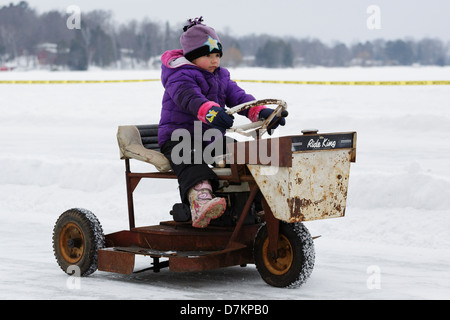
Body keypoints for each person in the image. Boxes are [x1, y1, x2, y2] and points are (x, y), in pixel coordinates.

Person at [158, 17, 285, 228]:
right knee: (191, 160)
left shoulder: (220, 76)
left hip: (208, 137)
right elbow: (189, 98)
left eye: (217, 55)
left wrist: (260, 112)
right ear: (192, 56)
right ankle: (200, 201)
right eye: (208, 55)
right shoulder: (179, 75)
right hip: (178, 137)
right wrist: (210, 113)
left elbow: (240, 98)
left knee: (241, 155)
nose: (215, 60)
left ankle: (258, 201)